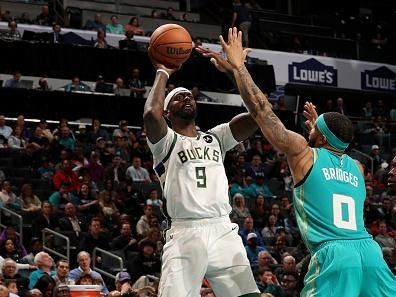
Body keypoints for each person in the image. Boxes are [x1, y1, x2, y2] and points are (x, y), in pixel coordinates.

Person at [212, 27, 396, 297]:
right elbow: (333, 153)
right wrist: (320, 132)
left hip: (334, 255)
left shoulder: (303, 152)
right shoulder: (358, 168)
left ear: (319, 137)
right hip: (370, 253)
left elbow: (262, 111)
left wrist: (239, 68)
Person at [144, 36, 260, 296]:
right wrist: (163, 71)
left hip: (222, 228)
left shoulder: (216, 137)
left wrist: (236, 71)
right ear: (167, 112)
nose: (186, 98)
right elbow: (151, 114)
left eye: (189, 95)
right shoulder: (165, 143)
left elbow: (259, 114)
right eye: (177, 98)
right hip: (185, 231)